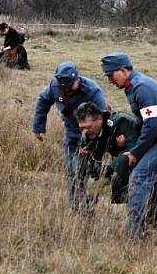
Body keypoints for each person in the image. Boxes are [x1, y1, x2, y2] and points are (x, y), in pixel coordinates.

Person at [101, 52, 157, 238]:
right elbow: (144, 123)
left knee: (138, 180)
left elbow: (151, 126)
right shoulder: (133, 86)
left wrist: (135, 152)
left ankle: (135, 233)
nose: (109, 80)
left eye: (111, 75)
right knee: (155, 188)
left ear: (124, 70)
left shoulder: (142, 88)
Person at [33, 62, 107, 211]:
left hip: (93, 136)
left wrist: (91, 144)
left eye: (70, 85)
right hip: (72, 132)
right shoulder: (55, 86)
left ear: (77, 79)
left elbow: (102, 119)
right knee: (72, 170)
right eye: (63, 86)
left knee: (90, 172)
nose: (66, 89)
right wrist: (39, 127)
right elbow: (43, 101)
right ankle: (75, 207)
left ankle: (89, 204)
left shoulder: (92, 91)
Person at [73, 101, 141, 205]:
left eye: (89, 127)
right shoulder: (88, 134)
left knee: (122, 186)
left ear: (100, 119)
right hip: (122, 160)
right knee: (91, 185)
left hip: (145, 158)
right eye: (82, 128)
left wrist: (109, 171)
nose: (85, 131)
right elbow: (83, 156)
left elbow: (135, 149)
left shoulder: (120, 122)